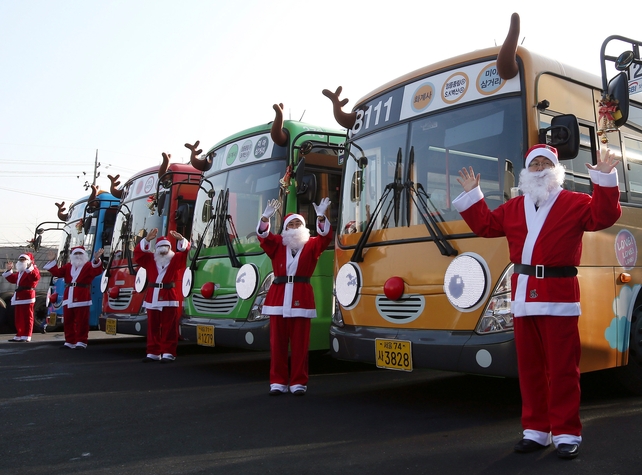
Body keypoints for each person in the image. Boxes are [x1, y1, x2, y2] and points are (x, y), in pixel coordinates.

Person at [452, 144, 621, 460]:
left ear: (555, 170)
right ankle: (536, 432)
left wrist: (605, 178)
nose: (540, 167)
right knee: (529, 370)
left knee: (562, 370)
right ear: (527, 171)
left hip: (559, 295)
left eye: (546, 163)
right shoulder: (514, 207)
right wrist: (474, 195)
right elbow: (485, 226)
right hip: (523, 295)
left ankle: (567, 433)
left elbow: (604, 216)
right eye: (535, 163)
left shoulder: (575, 202)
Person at [257, 197, 333, 396]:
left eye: (298, 223)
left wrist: (322, 217)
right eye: (290, 224)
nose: (294, 226)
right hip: (278, 298)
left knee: (300, 344)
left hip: (301, 297)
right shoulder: (277, 245)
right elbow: (263, 237)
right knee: (278, 343)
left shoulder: (312, 244)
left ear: (303, 226)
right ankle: (278, 381)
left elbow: (326, 238)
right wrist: (265, 217)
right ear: (285, 228)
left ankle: (298, 382)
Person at [134, 228, 190, 363]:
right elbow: (137, 254)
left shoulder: (175, 258)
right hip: (152, 296)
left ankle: (168, 352)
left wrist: (181, 240)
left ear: (170, 248)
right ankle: (153, 352)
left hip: (169, 296)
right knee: (152, 326)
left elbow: (188, 254)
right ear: (156, 248)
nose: (163, 249)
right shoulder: (150, 259)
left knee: (169, 327)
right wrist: (147, 240)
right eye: (161, 246)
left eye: (166, 246)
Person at [44, 247, 105, 349]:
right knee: (68, 320)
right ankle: (70, 341)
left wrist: (96, 260)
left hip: (82, 296)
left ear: (84, 255)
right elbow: (58, 273)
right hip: (68, 295)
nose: (77, 255)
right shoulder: (68, 266)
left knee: (82, 321)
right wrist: (51, 261)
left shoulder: (88, 266)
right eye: (75, 253)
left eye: (79, 253)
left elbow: (97, 271)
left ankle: (81, 341)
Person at [2, 253, 41, 342]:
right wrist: (9, 270)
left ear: (28, 261)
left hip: (28, 295)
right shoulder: (21, 272)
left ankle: (26, 335)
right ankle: (19, 334)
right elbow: (13, 279)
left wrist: (30, 268)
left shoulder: (33, 269)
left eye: (23, 260)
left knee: (27, 317)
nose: (21, 261)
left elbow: (35, 277)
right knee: (18, 317)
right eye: (20, 260)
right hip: (19, 295)